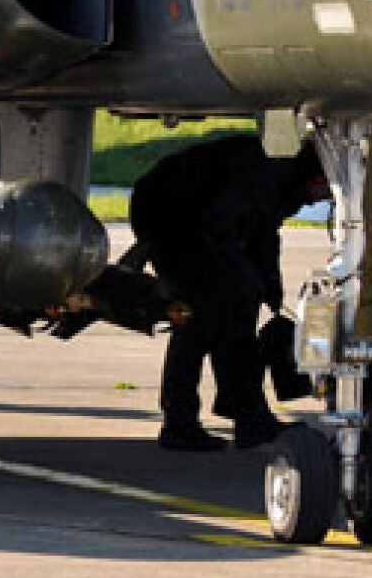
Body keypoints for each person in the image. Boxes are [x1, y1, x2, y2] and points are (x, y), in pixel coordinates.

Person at [129, 135, 332, 451]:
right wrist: (247, 282)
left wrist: (269, 288)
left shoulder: (289, 179)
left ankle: (249, 417)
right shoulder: (269, 172)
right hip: (170, 218)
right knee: (198, 319)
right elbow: (219, 226)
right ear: (319, 177)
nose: (319, 202)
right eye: (324, 193)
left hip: (203, 221)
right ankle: (179, 424)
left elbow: (263, 232)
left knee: (238, 315)